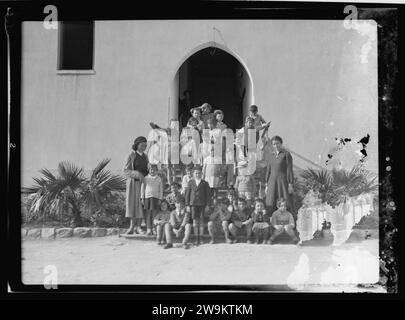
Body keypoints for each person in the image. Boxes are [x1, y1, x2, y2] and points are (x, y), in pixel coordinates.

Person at [124, 136, 149, 235]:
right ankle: (131, 227)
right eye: (142, 145)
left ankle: (138, 227)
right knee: (132, 205)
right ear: (137, 145)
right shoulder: (131, 155)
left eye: (145, 146)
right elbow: (126, 170)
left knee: (140, 205)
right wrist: (137, 174)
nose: (144, 147)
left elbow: (147, 170)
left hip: (143, 184)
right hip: (133, 183)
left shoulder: (146, 156)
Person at [265, 135, 294, 215]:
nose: (276, 146)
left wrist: (290, 184)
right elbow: (268, 170)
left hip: (282, 181)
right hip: (272, 182)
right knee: (270, 200)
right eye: (274, 144)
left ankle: (286, 221)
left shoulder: (286, 154)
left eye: (277, 143)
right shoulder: (271, 155)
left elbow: (289, 169)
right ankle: (271, 221)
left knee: (283, 200)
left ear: (281, 143)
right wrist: (266, 184)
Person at [185, 164, 212, 245]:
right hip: (193, 205)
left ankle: (201, 237)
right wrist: (187, 205)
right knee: (195, 222)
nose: (197, 175)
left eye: (199, 173)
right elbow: (187, 194)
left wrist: (207, 205)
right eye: (196, 173)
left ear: (202, 174)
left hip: (202, 204)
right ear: (193, 174)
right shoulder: (190, 182)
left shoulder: (205, 183)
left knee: (201, 221)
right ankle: (196, 237)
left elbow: (208, 195)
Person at [141, 164, 164, 235]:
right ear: (149, 170)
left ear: (157, 171)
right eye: (151, 169)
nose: (152, 171)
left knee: (154, 214)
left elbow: (161, 189)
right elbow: (142, 189)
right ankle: (148, 228)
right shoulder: (145, 178)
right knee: (148, 214)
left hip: (156, 198)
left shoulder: (159, 179)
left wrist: (160, 198)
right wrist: (142, 198)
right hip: (147, 198)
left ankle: (154, 228)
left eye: (154, 169)